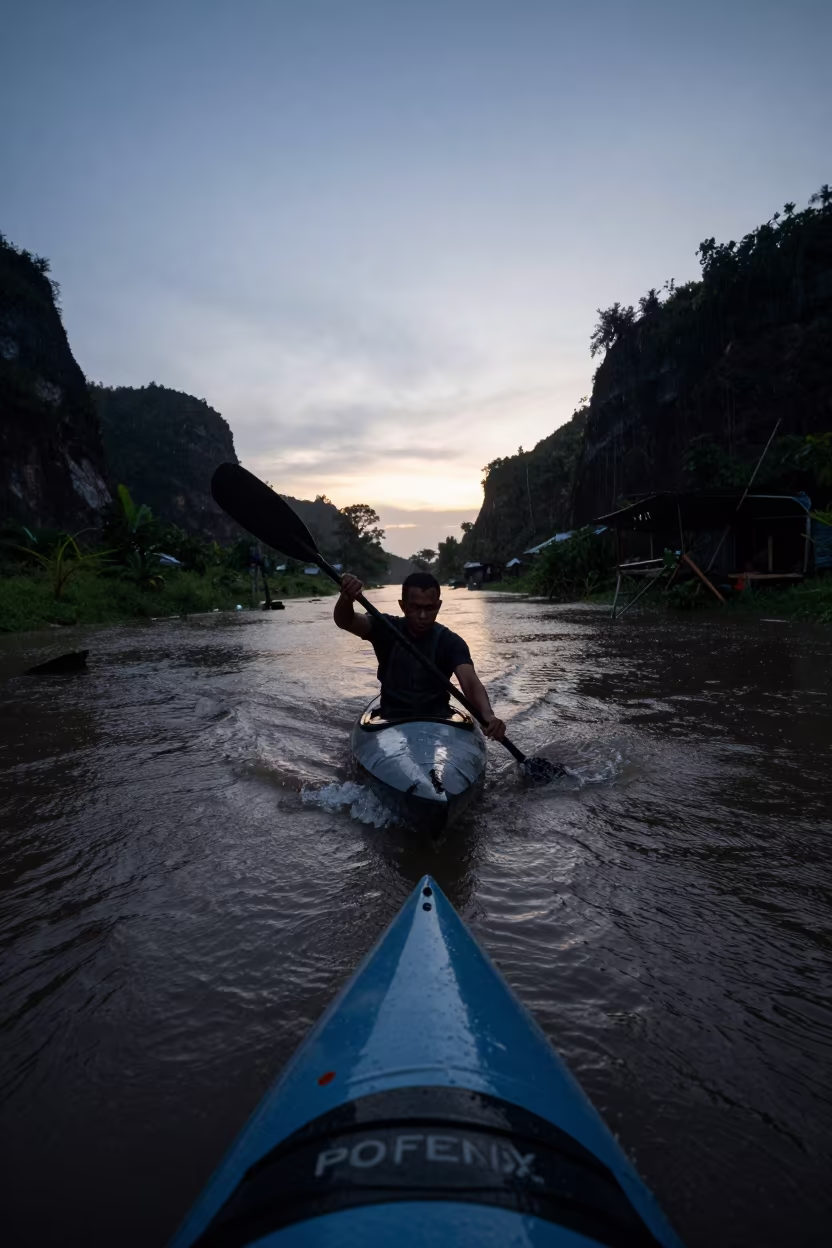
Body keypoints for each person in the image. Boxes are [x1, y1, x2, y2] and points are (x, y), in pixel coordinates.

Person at [334, 570, 507, 740]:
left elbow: (470, 682)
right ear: (403, 606)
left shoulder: (451, 642)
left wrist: (488, 715)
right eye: (415, 608)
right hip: (391, 718)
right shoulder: (385, 627)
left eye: (429, 608)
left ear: (438, 606)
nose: (423, 616)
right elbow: (345, 621)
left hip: (438, 719)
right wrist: (346, 597)